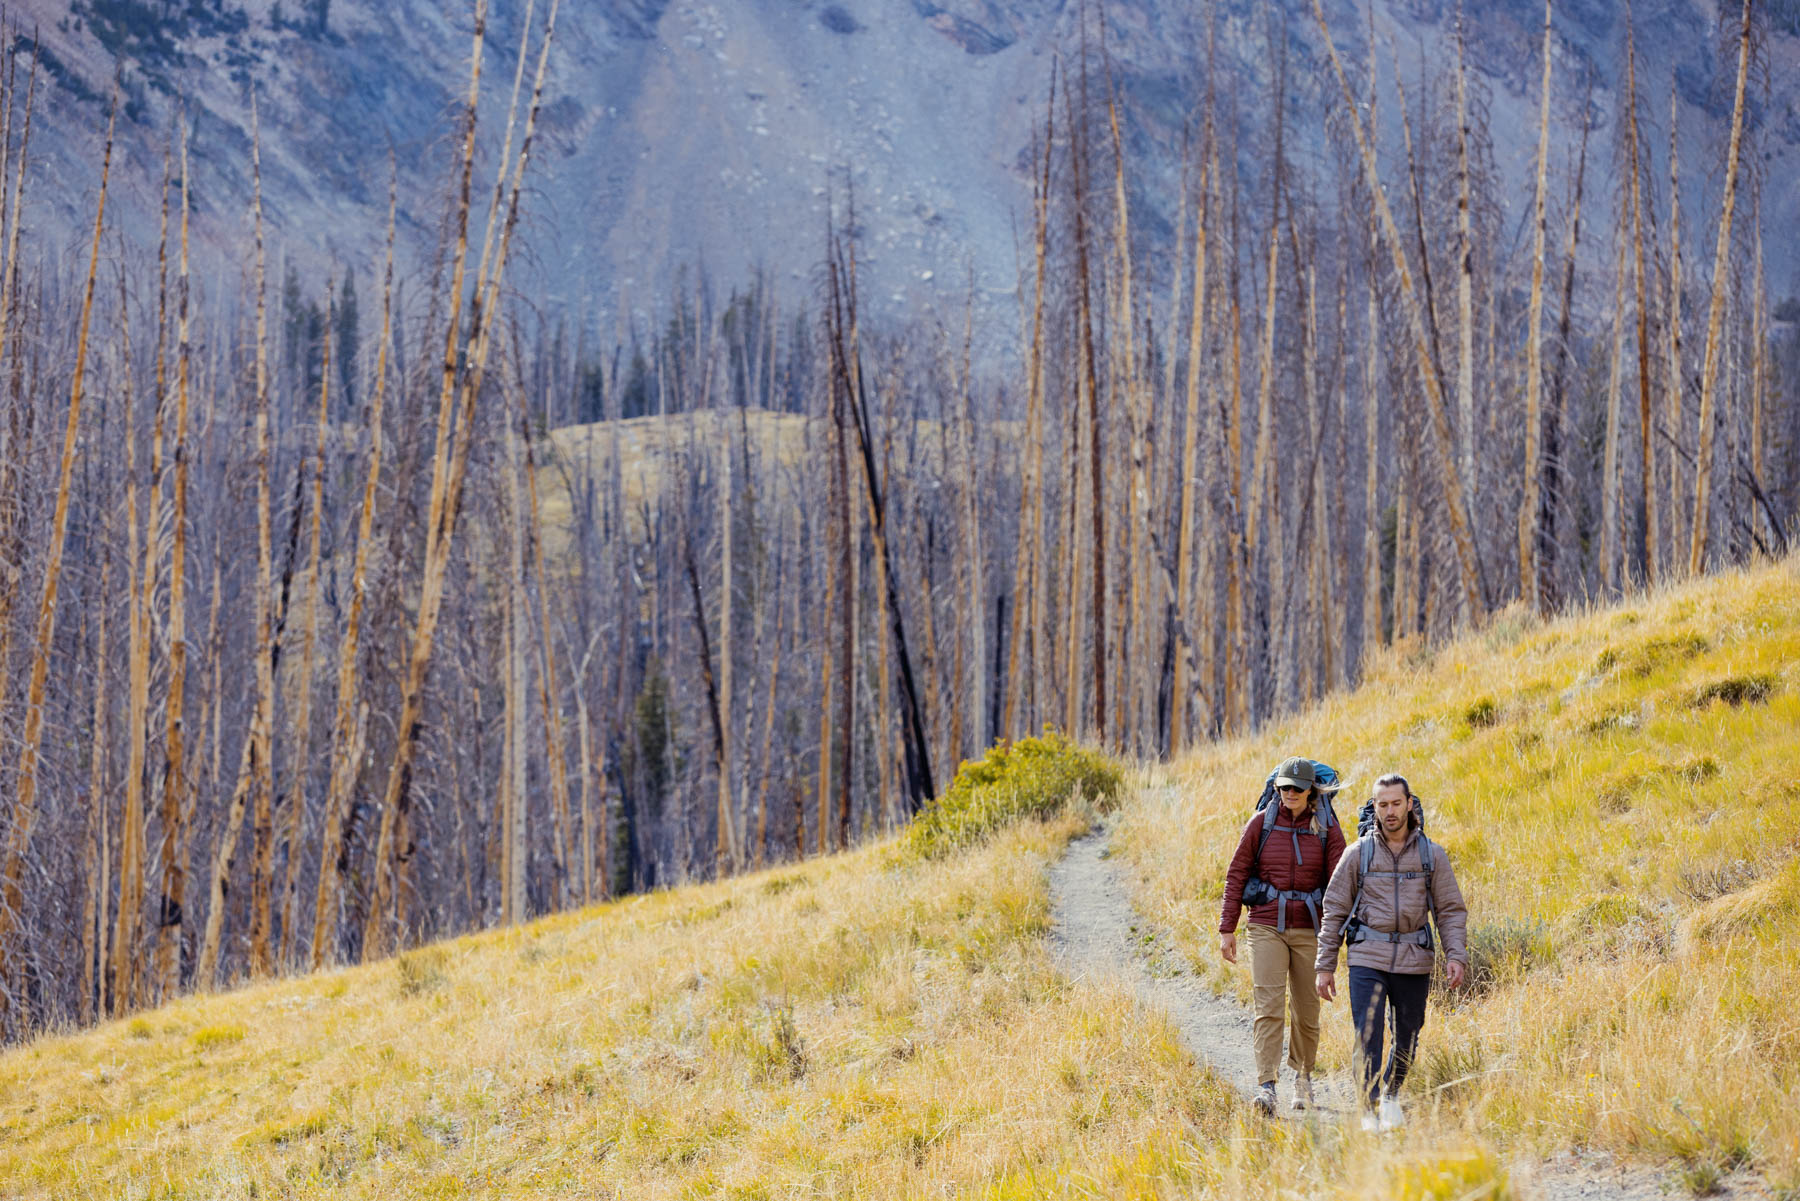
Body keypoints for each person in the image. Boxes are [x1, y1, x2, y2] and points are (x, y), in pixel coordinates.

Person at [1314, 773, 1468, 1131]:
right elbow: (1334, 908)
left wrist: (1456, 956)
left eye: (1396, 803)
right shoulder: (1358, 854)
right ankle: (1367, 1111)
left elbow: (1449, 909)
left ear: (1409, 803)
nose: (1390, 811)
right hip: (1367, 955)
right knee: (1368, 1035)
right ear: (1375, 807)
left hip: (1415, 957)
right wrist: (1325, 966)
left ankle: (1391, 1094)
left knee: (1409, 1033)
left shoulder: (1432, 855)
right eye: (1382, 804)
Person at [1219, 756, 1346, 1116]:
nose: (1290, 793)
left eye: (1297, 788)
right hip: (1265, 926)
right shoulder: (1261, 823)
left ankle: (1304, 1079)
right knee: (1268, 1008)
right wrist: (1227, 928)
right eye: (1284, 787)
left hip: (1310, 929)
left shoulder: (1327, 829)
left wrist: (1337, 938)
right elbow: (1236, 874)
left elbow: (1340, 885)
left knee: (1307, 1010)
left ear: (1311, 791)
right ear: (1277, 788)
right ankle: (1267, 1087)